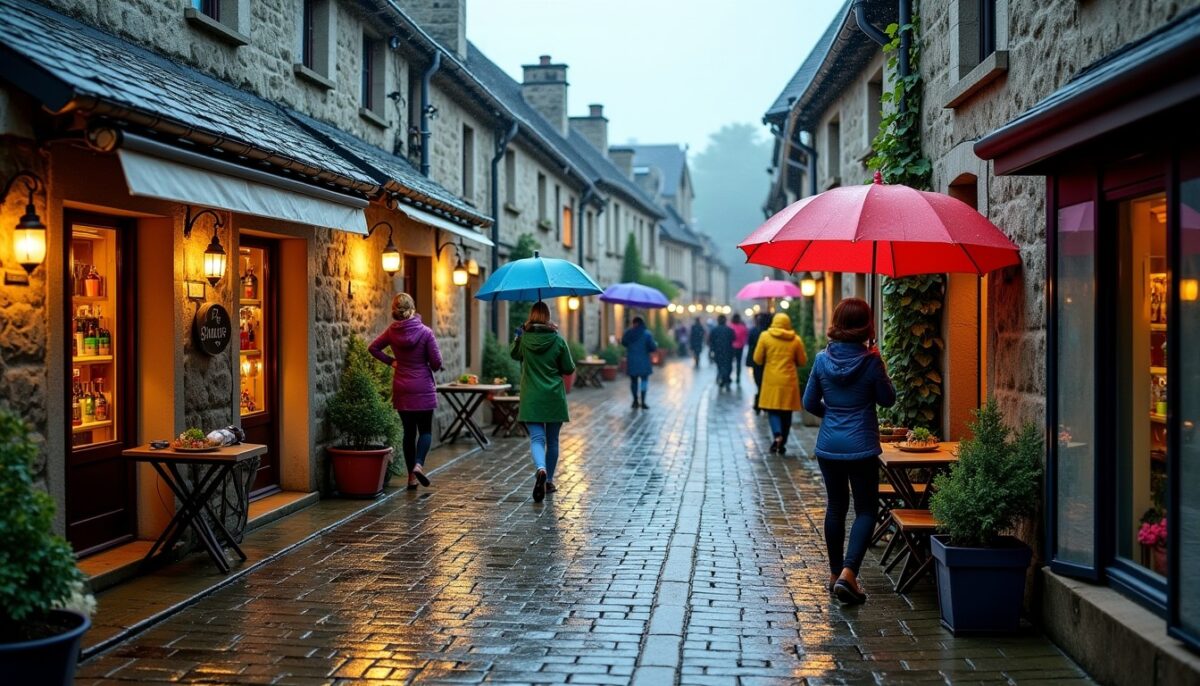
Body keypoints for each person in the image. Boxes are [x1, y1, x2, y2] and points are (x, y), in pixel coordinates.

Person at [802, 297, 896, 606]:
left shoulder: (821, 359)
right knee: (867, 509)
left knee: (836, 506)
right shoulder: (870, 361)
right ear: (866, 325)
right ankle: (849, 574)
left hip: (829, 447)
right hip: (862, 447)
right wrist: (878, 362)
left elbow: (809, 403)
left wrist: (831, 413)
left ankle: (834, 574)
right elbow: (887, 399)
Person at [369, 293, 443, 490]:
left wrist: (392, 361)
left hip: (402, 386)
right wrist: (429, 362)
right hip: (423, 387)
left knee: (408, 433)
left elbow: (373, 348)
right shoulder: (426, 332)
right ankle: (419, 464)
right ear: (412, 308)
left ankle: (411, 477)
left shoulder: (392, 331)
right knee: (425, 430)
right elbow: (436, 363)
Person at [511, 301, 576, 503]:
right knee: (553, 441)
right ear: (547, 317)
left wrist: (519, 336)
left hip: (532, 397)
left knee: (537, 439)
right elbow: (569, 368)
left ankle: (540, 468)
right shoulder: (557, 341)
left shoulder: (524, 340)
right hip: (554, 397)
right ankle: (548, 481)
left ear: (531, 315)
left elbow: (514, 354)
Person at [752, 312, 807, 456]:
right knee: (786, 412)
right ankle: (783, 443)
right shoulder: (795, 340)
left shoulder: (765, 337)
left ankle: (777, 435)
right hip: (789, 380)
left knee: (773, 410)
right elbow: (802, 361)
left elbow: (757, 359)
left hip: (771, 379)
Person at [621, 316, 657, 409]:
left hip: (632, 360)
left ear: (634, 323)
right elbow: (652, 347)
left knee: (634, 382)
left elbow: (624, 342)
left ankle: (635, 401)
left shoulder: (629, 333)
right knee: (644, 381)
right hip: (644, 361)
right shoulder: (647, 334)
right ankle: (643, 401)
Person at [745, 313, 771, 414]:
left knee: (759, 382)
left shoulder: (754, 331)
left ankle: (759, 402)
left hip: (756, 361)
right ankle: (762, 403)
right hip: (768, 362)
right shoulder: (768, 332)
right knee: (765, 383)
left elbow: (749, 342)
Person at [709, 315, 735, 390]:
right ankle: (726, 379)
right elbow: (733, 338)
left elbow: (711, 341)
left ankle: (723, 379)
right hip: (728, 351)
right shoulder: (729, 330)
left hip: (718, 351)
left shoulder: (714, 330)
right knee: (728, 366)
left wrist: (711, 351)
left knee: (720, 366)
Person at [729, 314, 749, 385]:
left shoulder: (730, 327)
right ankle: (738, 376)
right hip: (740, 347)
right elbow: (746, 336)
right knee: (738, 362)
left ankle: (729, 375)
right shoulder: (743, 328)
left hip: (731, 347)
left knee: (730, 362)